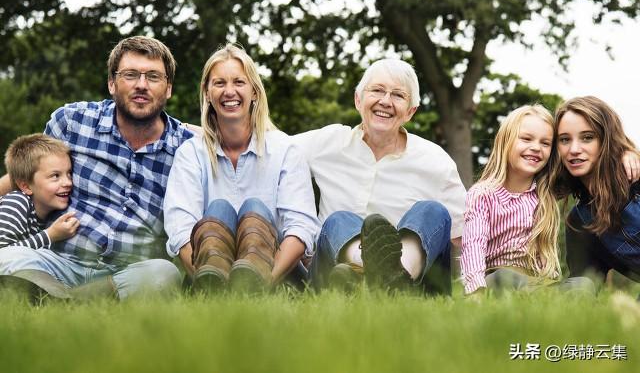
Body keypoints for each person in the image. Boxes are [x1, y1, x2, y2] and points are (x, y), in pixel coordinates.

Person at [0, 36, 194, 300]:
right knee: (6, 256)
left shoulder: (187, 148)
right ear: (112, 84)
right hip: (59, 263)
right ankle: (73, 298)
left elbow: (244, 130)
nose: (141, 85)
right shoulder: (72, 122)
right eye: (130, 74)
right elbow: (23, 179)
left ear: (168, 88)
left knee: (164, 274)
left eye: (153, 76)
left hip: (129, 272)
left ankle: (61, 300)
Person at [292, 59, 466, 294]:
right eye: (377, 90)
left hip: (416, 288)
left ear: (410, 112)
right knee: (338, 220)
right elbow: (271, 149)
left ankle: (396, 276)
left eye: (398, 95)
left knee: (433, 211)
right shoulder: (326, 142)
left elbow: (467, 237)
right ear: (358, 100)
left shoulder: (435, 161)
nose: (385, 101)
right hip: (332, 274)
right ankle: (385, 277)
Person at [163, 44, 319, 293]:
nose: (229, 91)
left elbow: (301, 227)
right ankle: (216, 286)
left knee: (253, 208)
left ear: (255, 91)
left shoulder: (284, 149)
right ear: (207, 93)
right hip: (210, 274)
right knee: (219, 210)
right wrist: (207, 280)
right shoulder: (191, 153)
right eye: (219, 83)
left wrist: (263, 283)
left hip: (276, 273)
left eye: (239, 82)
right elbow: (180, 228)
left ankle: (248, 283)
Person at [460, 105, 562, 294]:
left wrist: (627, 152)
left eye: (545, 143)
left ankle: (545, 300)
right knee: (505, 278)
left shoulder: (544, 198)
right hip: (496, 277)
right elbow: (473, 244)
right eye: (526, 139)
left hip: (534, 282)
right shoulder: (483, 194)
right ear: (505, 142)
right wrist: (476, 290)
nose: (536, 148)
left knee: (583, 284)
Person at [551, 96, 640, 287]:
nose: (574, 149)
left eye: (587, 137)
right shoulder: (579, 222)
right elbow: (583, 286)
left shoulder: (636, 182)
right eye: (564, 139)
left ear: (606, 140)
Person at [1, 134, 79, 249]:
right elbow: (3, 255)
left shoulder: (46, 216)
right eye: (55, 175)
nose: (68, 182)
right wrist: (50, 235)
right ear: (26, 186)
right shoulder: (16, 203)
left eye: (69, 174)